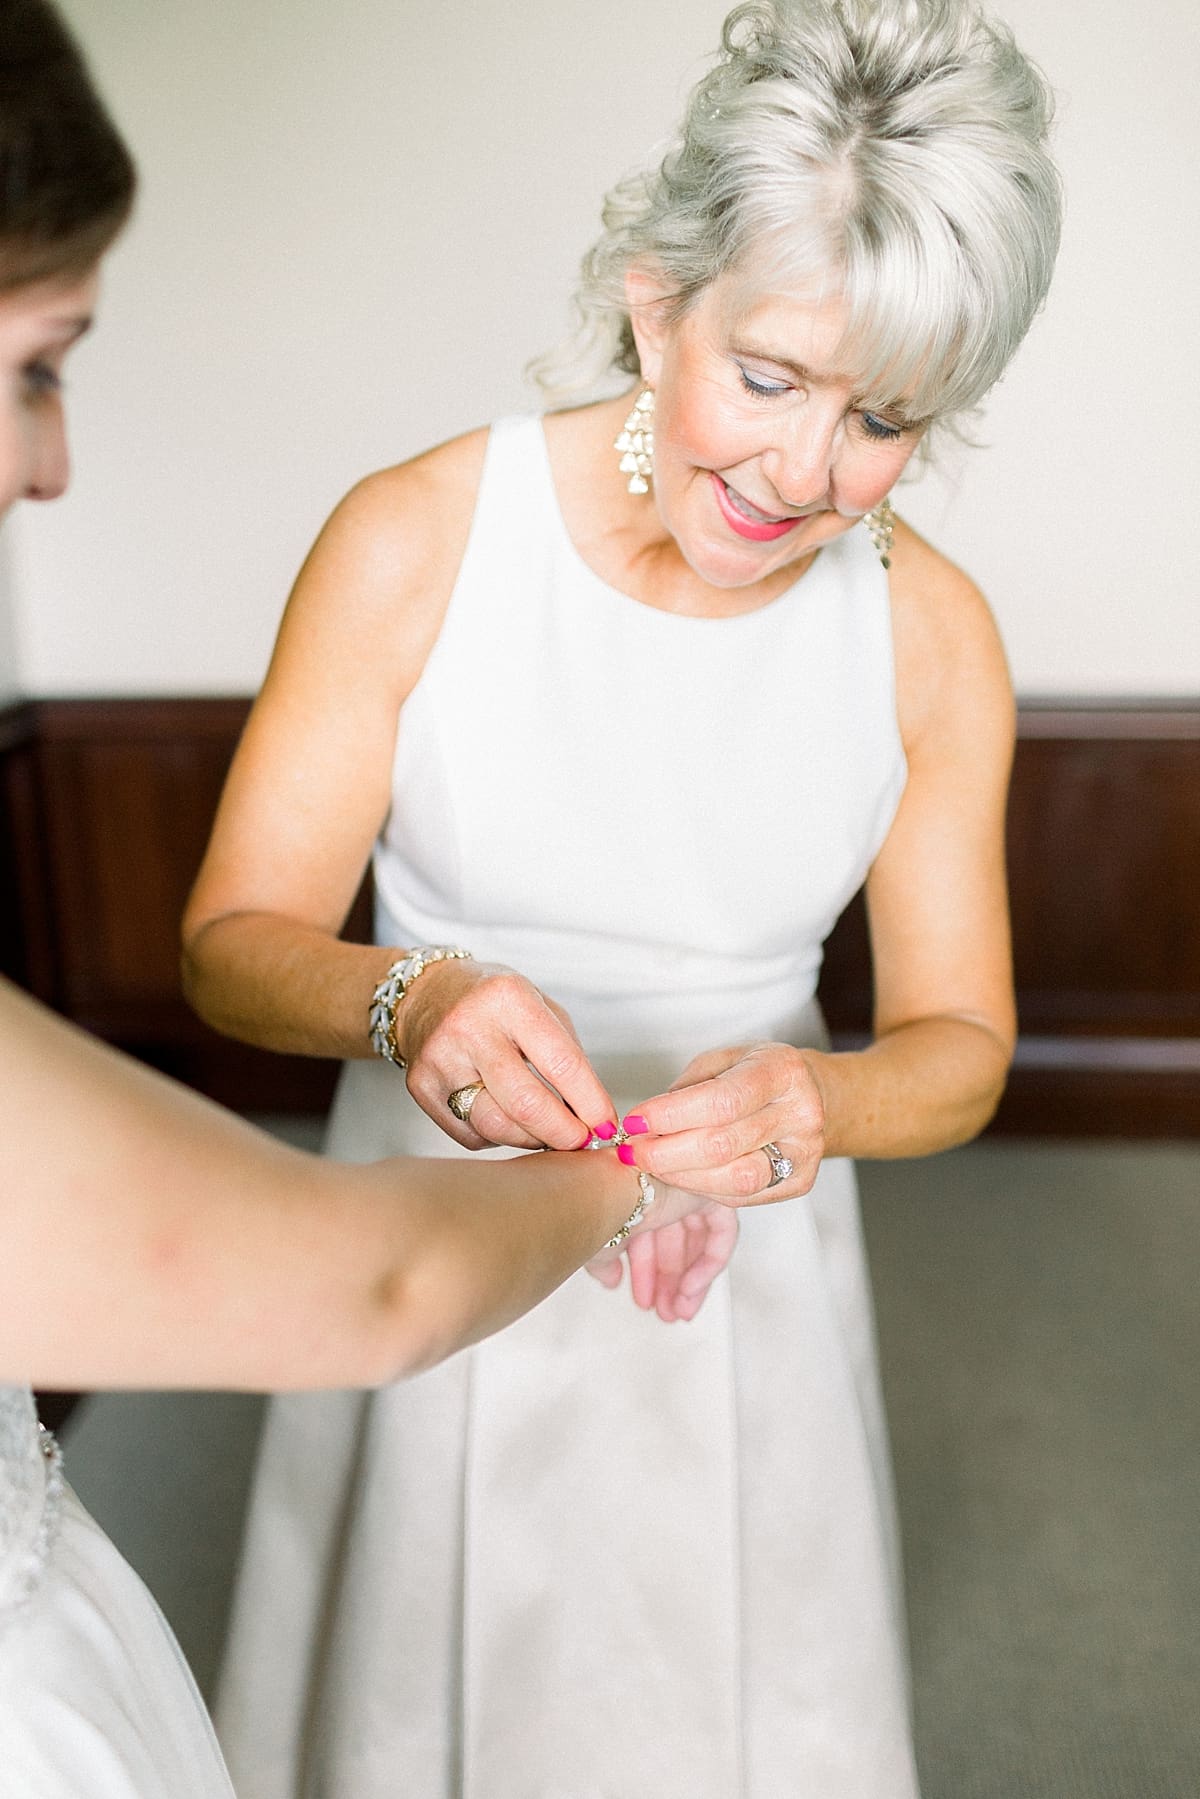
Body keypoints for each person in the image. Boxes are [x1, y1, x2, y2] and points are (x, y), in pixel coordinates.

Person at [184, 0, 1062, 1792]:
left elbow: (961, 1048)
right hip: (432, 1204)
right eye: (769, 377)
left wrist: (816, 1100)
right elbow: (228, 944)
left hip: (755, 1231)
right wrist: (409, 1001)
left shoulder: (935, 634)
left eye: (885, 417)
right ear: (659, 301)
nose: (805, 476)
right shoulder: (415, 539)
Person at [0, 5, 734, 1794]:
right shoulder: (419, 535)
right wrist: (623, 1163)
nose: (52, 461)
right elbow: (374, 1285)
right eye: (35, 362)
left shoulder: (916, 616)